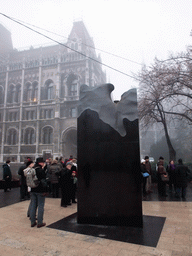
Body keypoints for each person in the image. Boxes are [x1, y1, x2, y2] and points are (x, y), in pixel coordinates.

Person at [30, 157, 47, 228]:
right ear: (40, 163)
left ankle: (32, 222)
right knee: (41, 206)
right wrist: (46, 190)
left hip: (33, 189)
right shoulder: (40, 170)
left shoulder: (32, 169)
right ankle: (40, 222)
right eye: (43, 162)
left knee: (33, 205)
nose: (44, 163)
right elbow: (43, 181)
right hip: (40, 190)